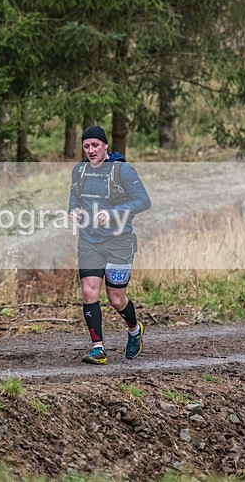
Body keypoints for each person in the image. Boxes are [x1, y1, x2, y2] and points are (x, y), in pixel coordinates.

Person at [68, 125, 151, 365]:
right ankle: (98, 348)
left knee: (116, 298)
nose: (91, 150)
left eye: (95, 145)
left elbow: (143, 201)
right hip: (89, 240)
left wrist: (114, 213)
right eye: (86, 146)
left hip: (119, 241)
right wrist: (72, 211)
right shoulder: (80, 170)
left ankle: (135, 330)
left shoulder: (122, 171)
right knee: (88, 291)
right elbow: (75, 195)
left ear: (105, 146)